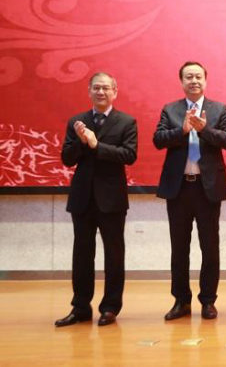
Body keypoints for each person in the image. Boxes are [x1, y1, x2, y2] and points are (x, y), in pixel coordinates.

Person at [153, 61, 226, 321]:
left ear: (205, 81)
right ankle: (181, 301)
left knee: (210, 247)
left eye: (198, 76)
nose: (194, 81)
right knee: (179, 248)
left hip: (207, 188)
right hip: (179, 188)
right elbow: (158, 140)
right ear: (182, 82)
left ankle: (208, 301)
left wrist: (204, 129)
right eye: (189, 77)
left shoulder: (219, 109)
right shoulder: (170, 109)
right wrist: (183, 130)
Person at [55, 72, 138, 327]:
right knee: (82, 254)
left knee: (114, 254)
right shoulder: (77, 121)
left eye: (105, 88)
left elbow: (129, 155)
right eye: (96, 88)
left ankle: (110, 307)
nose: (101, 92)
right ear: (89, 91)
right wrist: (82, 142)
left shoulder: (126, 122)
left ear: (115, 92)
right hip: (82, 197)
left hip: (112, 199)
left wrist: (95, 144)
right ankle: (80, 307)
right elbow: (67, 158)